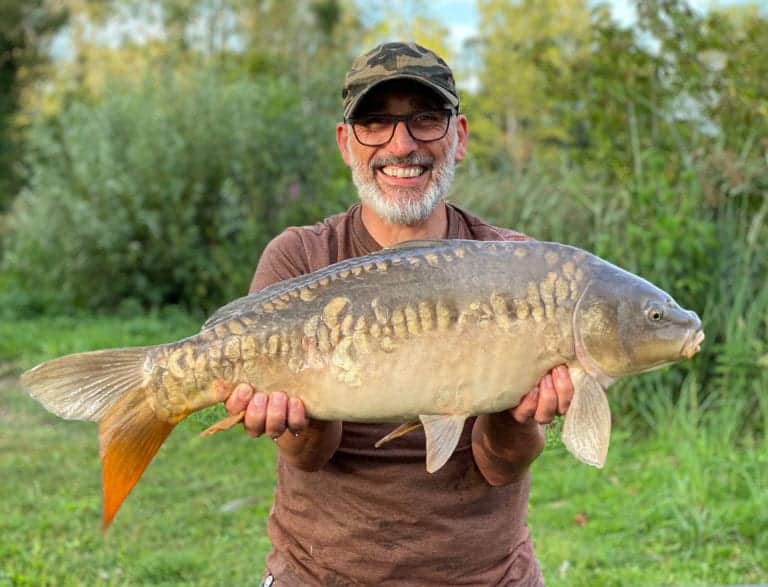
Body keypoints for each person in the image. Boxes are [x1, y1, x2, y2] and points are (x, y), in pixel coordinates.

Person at [221, 42, 574, 586]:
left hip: (486, 576)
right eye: (375, 123)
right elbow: (309, 457)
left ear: (458, 137)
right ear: (346, 143)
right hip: (320, 573)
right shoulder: (300, 257)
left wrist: (521, 411)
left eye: (426, 120)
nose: (401, 144)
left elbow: (500, 465)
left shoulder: (517, 267)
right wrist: (289, 419)